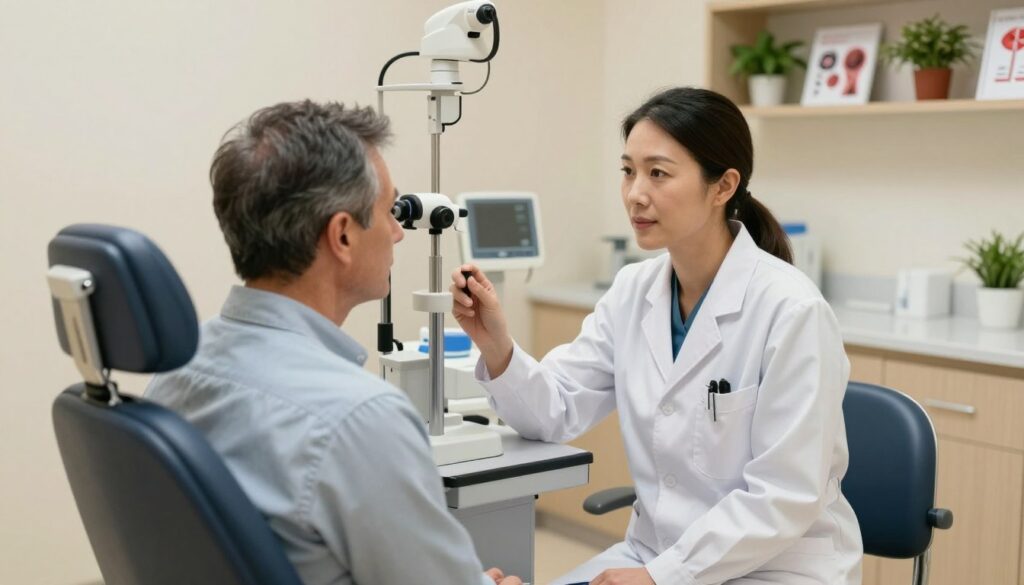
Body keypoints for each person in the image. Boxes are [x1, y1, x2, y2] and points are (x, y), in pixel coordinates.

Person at [451, 87, 862, 585]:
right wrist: (495, 344)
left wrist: (661, 577)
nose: (635, 193)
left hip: (774, 568)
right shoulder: (634, 291)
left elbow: (784, 495)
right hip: (654, 554)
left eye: (658, 173)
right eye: (628, 171)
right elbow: (553, 411)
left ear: (723, 186)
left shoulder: (792, 311)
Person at [146, 100, 520, 585]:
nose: (397, 234)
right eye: (389, 211)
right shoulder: (360, 419)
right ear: (342, 235)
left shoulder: (177, 370)